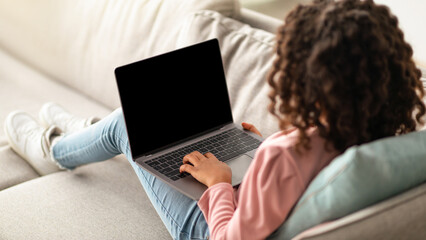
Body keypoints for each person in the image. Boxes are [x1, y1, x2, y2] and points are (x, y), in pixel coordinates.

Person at [4, 0, 426, 239]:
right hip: (253, 187)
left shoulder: (282, 157)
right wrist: (259, 151)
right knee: (152, 130)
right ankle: (83, 131)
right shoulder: (380, 128)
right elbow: (305, 169)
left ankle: (55, 148)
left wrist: (221, 182)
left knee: (129, 124)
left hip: (211, 225)